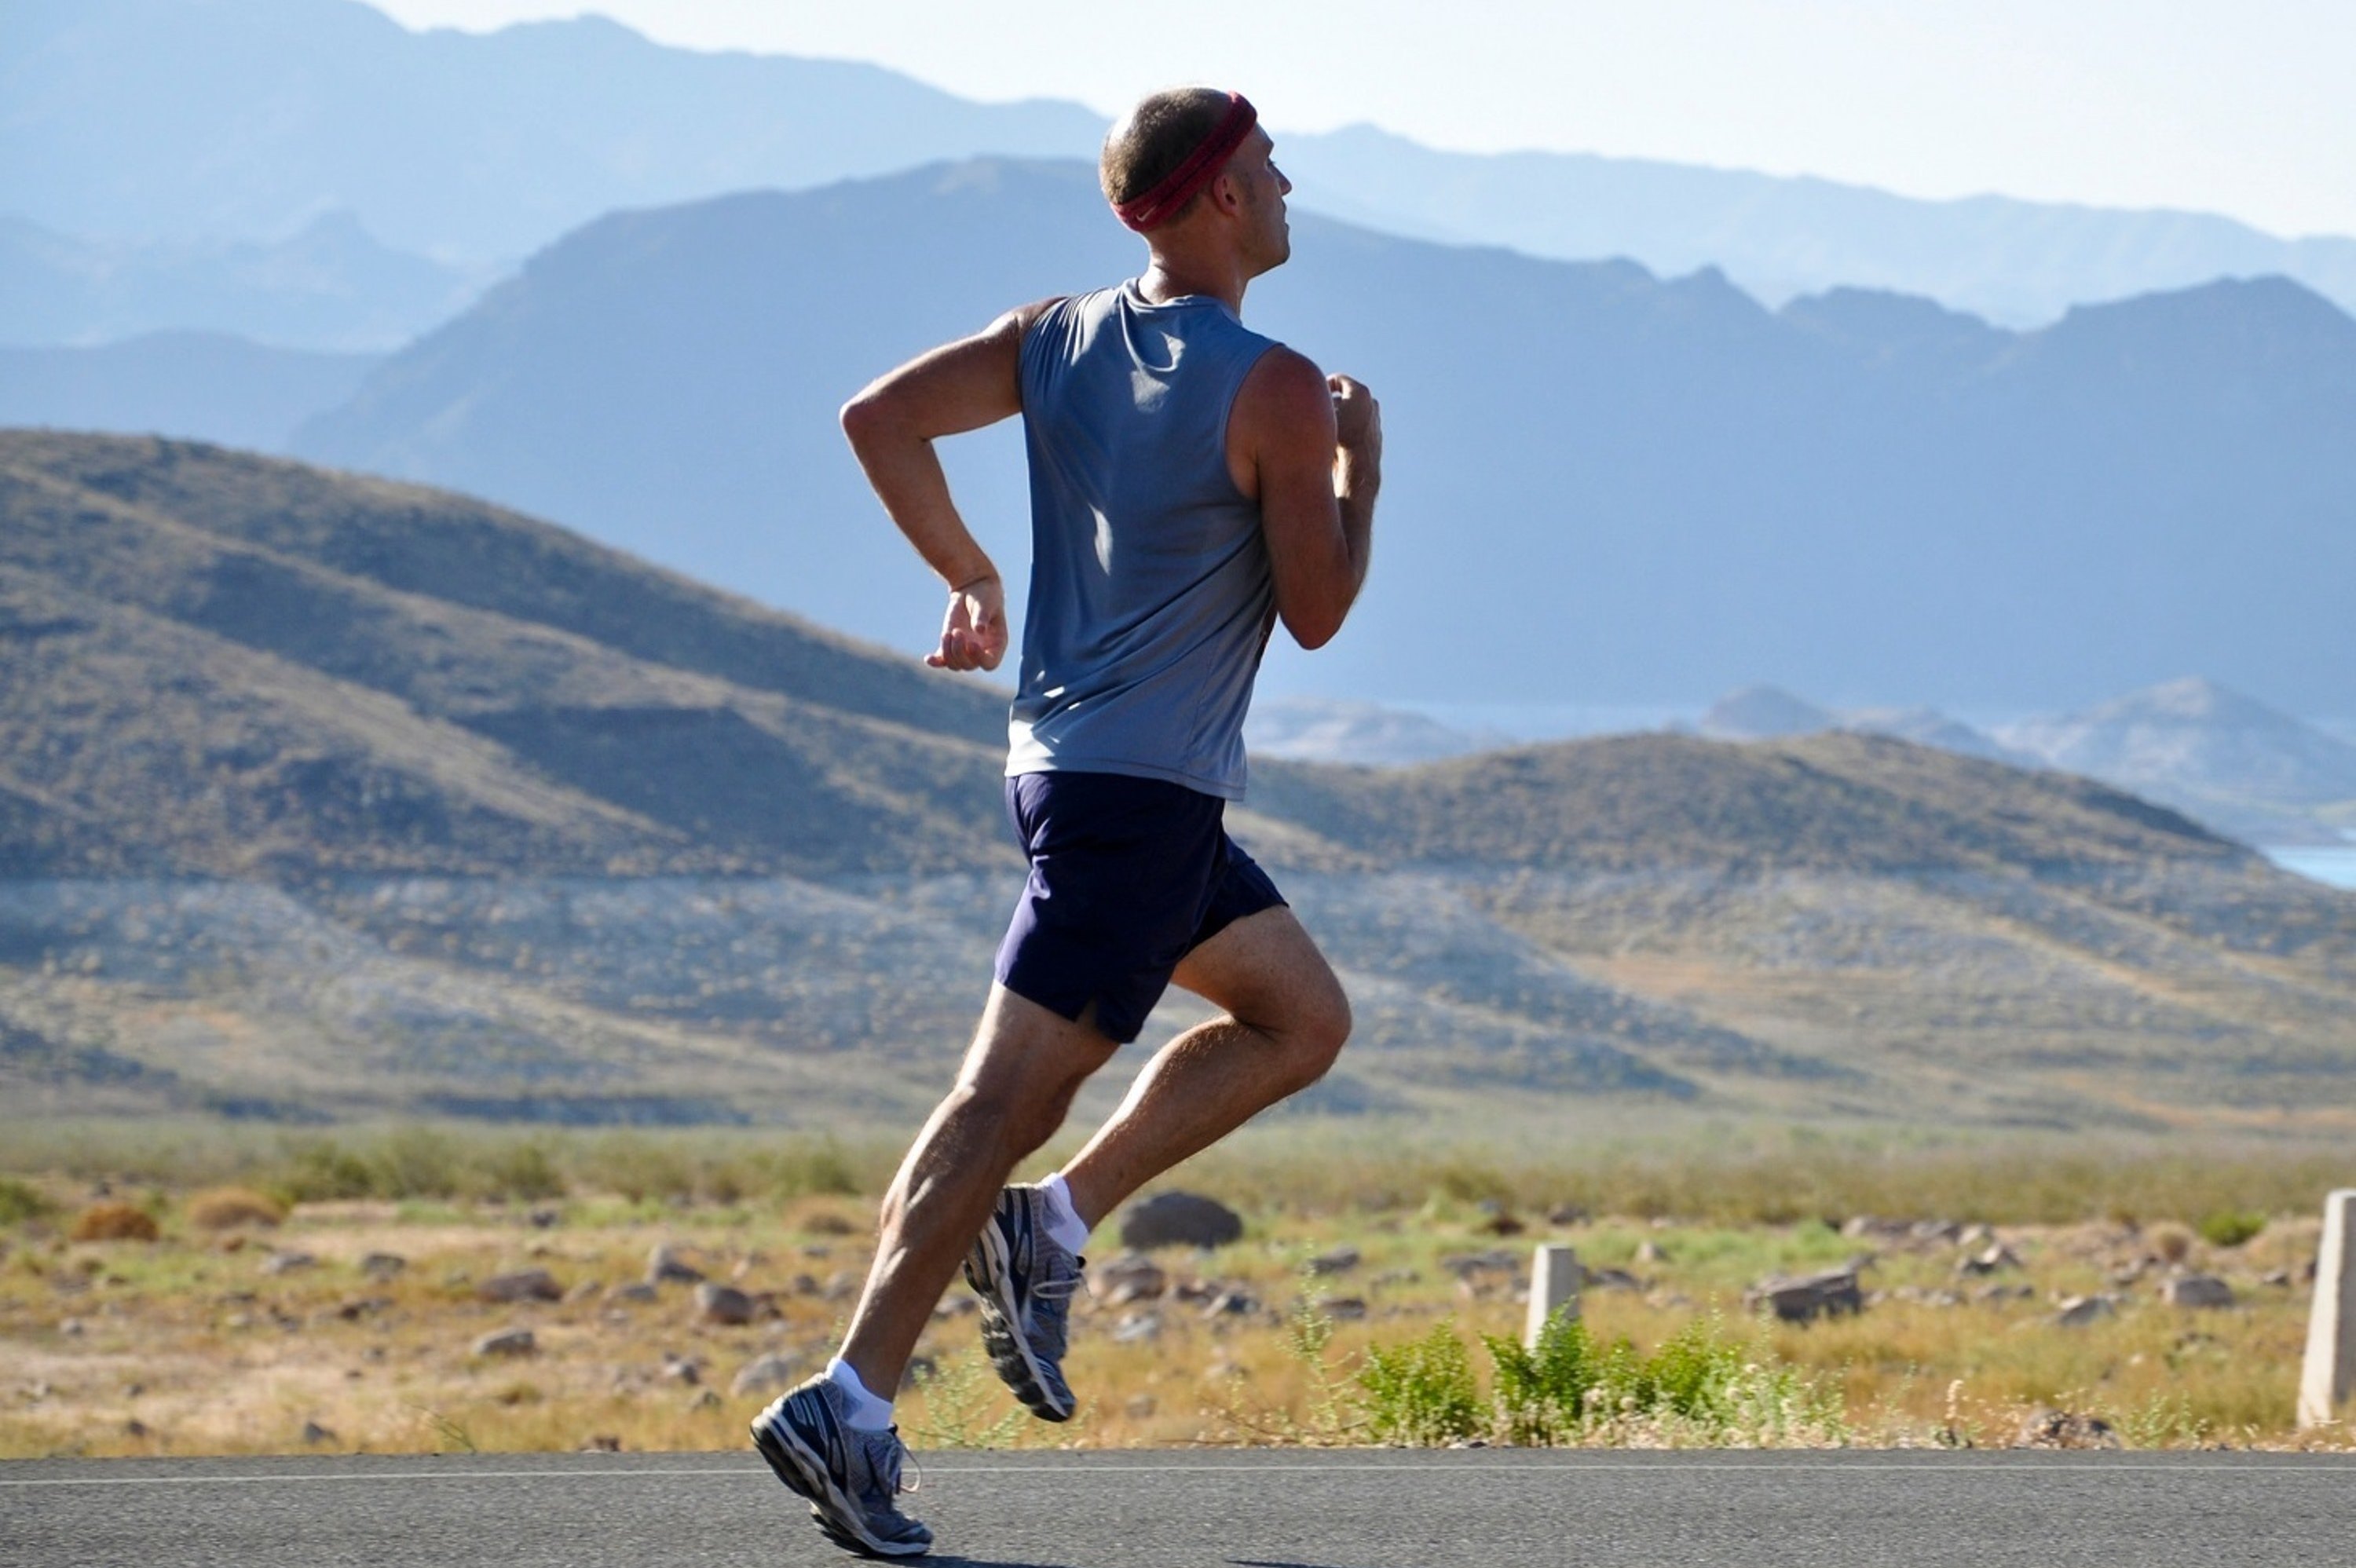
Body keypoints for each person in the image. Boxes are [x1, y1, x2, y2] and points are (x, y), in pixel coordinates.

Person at [751, 85, 1381, 1558]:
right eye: (1274, 171)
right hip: (1137, 799)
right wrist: (1362, 468)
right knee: (998, 1098)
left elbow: (879, 416)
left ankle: (1054, 1222)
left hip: (1079, 775)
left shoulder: (1055, 335)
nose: (1291, 192)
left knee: (1301, 1017)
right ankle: (850, 1397)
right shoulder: (1277, 387)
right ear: (1221, 193)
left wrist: (969, 572)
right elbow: (1320, 610)